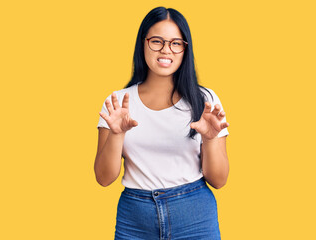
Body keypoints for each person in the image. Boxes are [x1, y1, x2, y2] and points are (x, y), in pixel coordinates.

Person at [94, 6, 230, 240]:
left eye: (176, 43)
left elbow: (218, 180)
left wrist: (209, 139)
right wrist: (116, 134)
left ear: (185, 49)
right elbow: (104, 178)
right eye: (157, 41)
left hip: (195, 215)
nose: (166, 50)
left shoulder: (204, 101)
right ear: (143, 43)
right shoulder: (118, 103)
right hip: (134, 218)